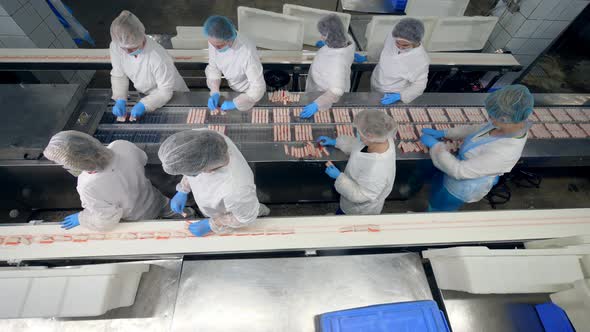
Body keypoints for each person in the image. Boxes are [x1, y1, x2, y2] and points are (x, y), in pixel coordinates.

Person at [420, 85, 534, 212]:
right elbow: (477, 129)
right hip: (452, 170)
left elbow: (459, 171)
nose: (489, 119)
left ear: (504, 118)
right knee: (437, 192)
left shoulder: (504, 152)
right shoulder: (506, 125)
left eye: (492, 116)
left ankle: (432, 219)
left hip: (461, 186)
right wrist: (445, 133)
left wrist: (436, 147)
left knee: (440, 208)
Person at [43, 131, 171, 231]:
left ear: (74, 163)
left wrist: (82, 218)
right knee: (173, 210)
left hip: (138, 218)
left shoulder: (87, 186)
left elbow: (107, 220)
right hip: (154, 199)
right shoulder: (121, 145)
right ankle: (187, 214)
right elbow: (143, 159)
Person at [158, 129, 270, 237]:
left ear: (207, 169)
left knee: (255, 210)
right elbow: (190, 161)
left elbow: (245, 217)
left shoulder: (236, 190)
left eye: (193, 173)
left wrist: (213, 223)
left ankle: (267, 212)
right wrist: (183, 190)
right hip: (217, 206)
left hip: (233, 210)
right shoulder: (205, 139)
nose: (191, 175)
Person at [110, 10, 189, 119]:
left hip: (174, 95)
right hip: (148, 96)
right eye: (125, 48)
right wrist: (120, 98)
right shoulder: (116, 46)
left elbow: (165, 91)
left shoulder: (157, 56)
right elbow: (119, 74)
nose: (129, 52)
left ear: (141, 37)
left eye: (133, 47)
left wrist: (144, 105)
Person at [317, 110, 397, 215]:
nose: (358, 134)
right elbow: (358, 145)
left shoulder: (377, 169)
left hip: (360, 209)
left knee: (345, 220)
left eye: (359, 132)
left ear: (370, 136)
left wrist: (339, 177)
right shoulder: (381, 139)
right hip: (351, 190)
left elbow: (360, 195)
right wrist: (336, 142)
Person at [204, 15, 265, 112]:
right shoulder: (215, 38)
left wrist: (236, 104)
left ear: (229, 40)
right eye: (212, 44)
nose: (215, 48)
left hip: (247, 91)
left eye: (218, 46)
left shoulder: (247, 52)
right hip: (232, 86)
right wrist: (215, 91)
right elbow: (214, 67)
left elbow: (258, 88)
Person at [301, 14, 356, 118]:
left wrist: (317, 104)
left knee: (321, 116)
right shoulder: (347, 38)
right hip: (326, 80)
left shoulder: (337, 62)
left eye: (323, 34)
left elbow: (336, 90)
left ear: (332, 36)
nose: (321, 37)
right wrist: (327, 46)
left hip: (323, 93)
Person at [370, 18, 430, 106]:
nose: (400, 47)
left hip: (393, 92)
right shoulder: (393, 36)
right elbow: (384, 49)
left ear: (416, 42)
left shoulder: (421, 60)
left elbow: (419, 85)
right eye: (397, 43)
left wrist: (401, 96)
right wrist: (369, 57)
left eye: (405, 45)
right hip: (376, 82)